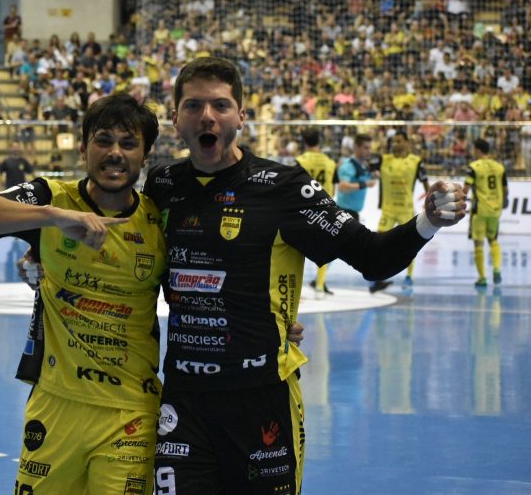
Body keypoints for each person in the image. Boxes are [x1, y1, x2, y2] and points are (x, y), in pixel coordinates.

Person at [140, 57, 465, 495]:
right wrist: (41, 264)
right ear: (176, 117)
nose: (207, 116)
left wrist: (425, 222)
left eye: (220, 104)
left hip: (261, 399)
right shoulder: (162, 185)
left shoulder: (283, 187)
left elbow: (373, 258)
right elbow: (132, 262)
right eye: (193, 105)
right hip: (183, 401)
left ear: (242, 116)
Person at [0, 94, 166, 494]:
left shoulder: (159, 218)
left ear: (145, 154)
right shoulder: (52, 197)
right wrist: (52, 218)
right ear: (83, 147)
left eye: (128, 143)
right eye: (103, 140)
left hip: (131, 412)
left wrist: (279, 322)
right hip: (55, 406)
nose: (114, 153)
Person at [335, 133, 390, 293]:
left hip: (353, 213)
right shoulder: (348, 165)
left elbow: (365, 177)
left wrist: (373, 175)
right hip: (345, 212)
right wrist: (364, 183)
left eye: (369, 148)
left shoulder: (363, 165)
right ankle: (375, 281)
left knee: (333, 249)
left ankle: (318, 282)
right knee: (365, 247)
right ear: (357, 147)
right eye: (365, 148)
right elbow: (344, 186)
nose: (368, 151)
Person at [375, 130, 430, 290]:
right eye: (394, 141)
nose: (396, 144)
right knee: (378, 243)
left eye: (399, 141)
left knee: (409, 245)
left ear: (407, 143)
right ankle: (379, 276)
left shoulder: (416, 161)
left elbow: (426, 182)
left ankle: (408, 276)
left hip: (405, 209)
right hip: (388, 209)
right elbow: (369, 167)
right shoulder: (384, 160)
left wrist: (429, 201)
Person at [295, 127, 337, 296]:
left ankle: (296, 288)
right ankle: (320, 286)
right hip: (325, 210)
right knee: (324, 249)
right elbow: (333, 190)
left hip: (303, 210)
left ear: (304, 142)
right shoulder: (330, 162)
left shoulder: (300, 160)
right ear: (319, 141)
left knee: (297, 250)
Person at [463, 139, 508, 288]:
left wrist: (459, 202)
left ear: (478, 150)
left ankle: (482, 278)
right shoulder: (499, 167)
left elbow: (466, 189)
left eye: (473, 149)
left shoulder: (474, 167)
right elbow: (505, 189)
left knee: (479, 244)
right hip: (495, 210)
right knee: (493, 240)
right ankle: (496, 268)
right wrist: (502, 202)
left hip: (480, 210)